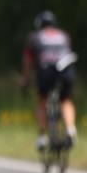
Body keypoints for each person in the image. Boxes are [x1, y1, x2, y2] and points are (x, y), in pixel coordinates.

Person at [20, 10, 77, 150]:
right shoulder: (64, 35)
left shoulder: (35, 37)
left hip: (46, 69)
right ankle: (70, 129)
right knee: (65, 100)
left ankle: (42, 136)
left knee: (42, 100)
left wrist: (25, 80)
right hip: (66, 67)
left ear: (39, 25)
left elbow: (28, 60)